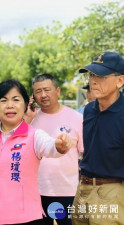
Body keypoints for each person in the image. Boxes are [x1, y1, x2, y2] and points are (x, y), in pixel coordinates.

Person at [0, 79, 73, 225]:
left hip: (26, 219)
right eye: (3, 100)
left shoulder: (35, 136)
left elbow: (51, 147)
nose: (10, 105)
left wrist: (60, 146)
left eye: (16, 99)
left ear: (26, 105)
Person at [71, 51, 124, 225]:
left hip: (111, 192)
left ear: (120, 81)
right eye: (91, 74)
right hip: (83, 189)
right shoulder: (89, 110)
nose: (93, 80)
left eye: (101, 75)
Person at [29, 74, 83, 225]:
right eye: (38, 91)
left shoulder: (76, 118)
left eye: (47, 90)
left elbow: (85, 153)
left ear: (57, 91)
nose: (43, 95)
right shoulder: (30, 119)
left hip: (67, 192)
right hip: (35, 192)